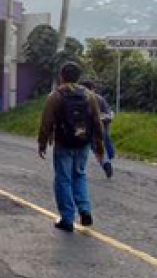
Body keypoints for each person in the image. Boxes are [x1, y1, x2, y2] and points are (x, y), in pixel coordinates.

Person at [38, 62, 104, 233]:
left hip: (63, 142)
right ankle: (85, 210)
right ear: (78, 77)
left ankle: (67, 218)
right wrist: (99, 146)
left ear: (62, 76)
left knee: (63, 179)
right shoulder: (89, 96)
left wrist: (42, 143)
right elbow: (97, 122)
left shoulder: (55, 96)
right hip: (83, 142)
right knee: (80, 175)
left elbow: (46, 122)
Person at [82, 81, 116, 178]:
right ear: (93, 88)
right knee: (100, 147)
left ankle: (105, 162)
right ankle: (106, 162)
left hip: (89, 129)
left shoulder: (81, 99)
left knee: (94, 148)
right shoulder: (99, 98)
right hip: (102, 128)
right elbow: (109, 114)